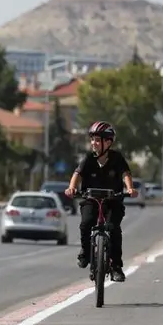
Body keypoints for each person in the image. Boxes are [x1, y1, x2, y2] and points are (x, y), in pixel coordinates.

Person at [64, 121, 137, 282]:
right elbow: (77, 174)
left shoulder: (117, 158)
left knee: (114, 228)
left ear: (108, 142)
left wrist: (130, 188)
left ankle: (116, 267)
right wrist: (71, 188)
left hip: (113, 200)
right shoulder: (89, 158)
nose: (93, 143)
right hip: (90, 199)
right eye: (92, 140)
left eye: (97, 140)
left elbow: (125, 174)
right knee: (86, 223)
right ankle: (85, 253)